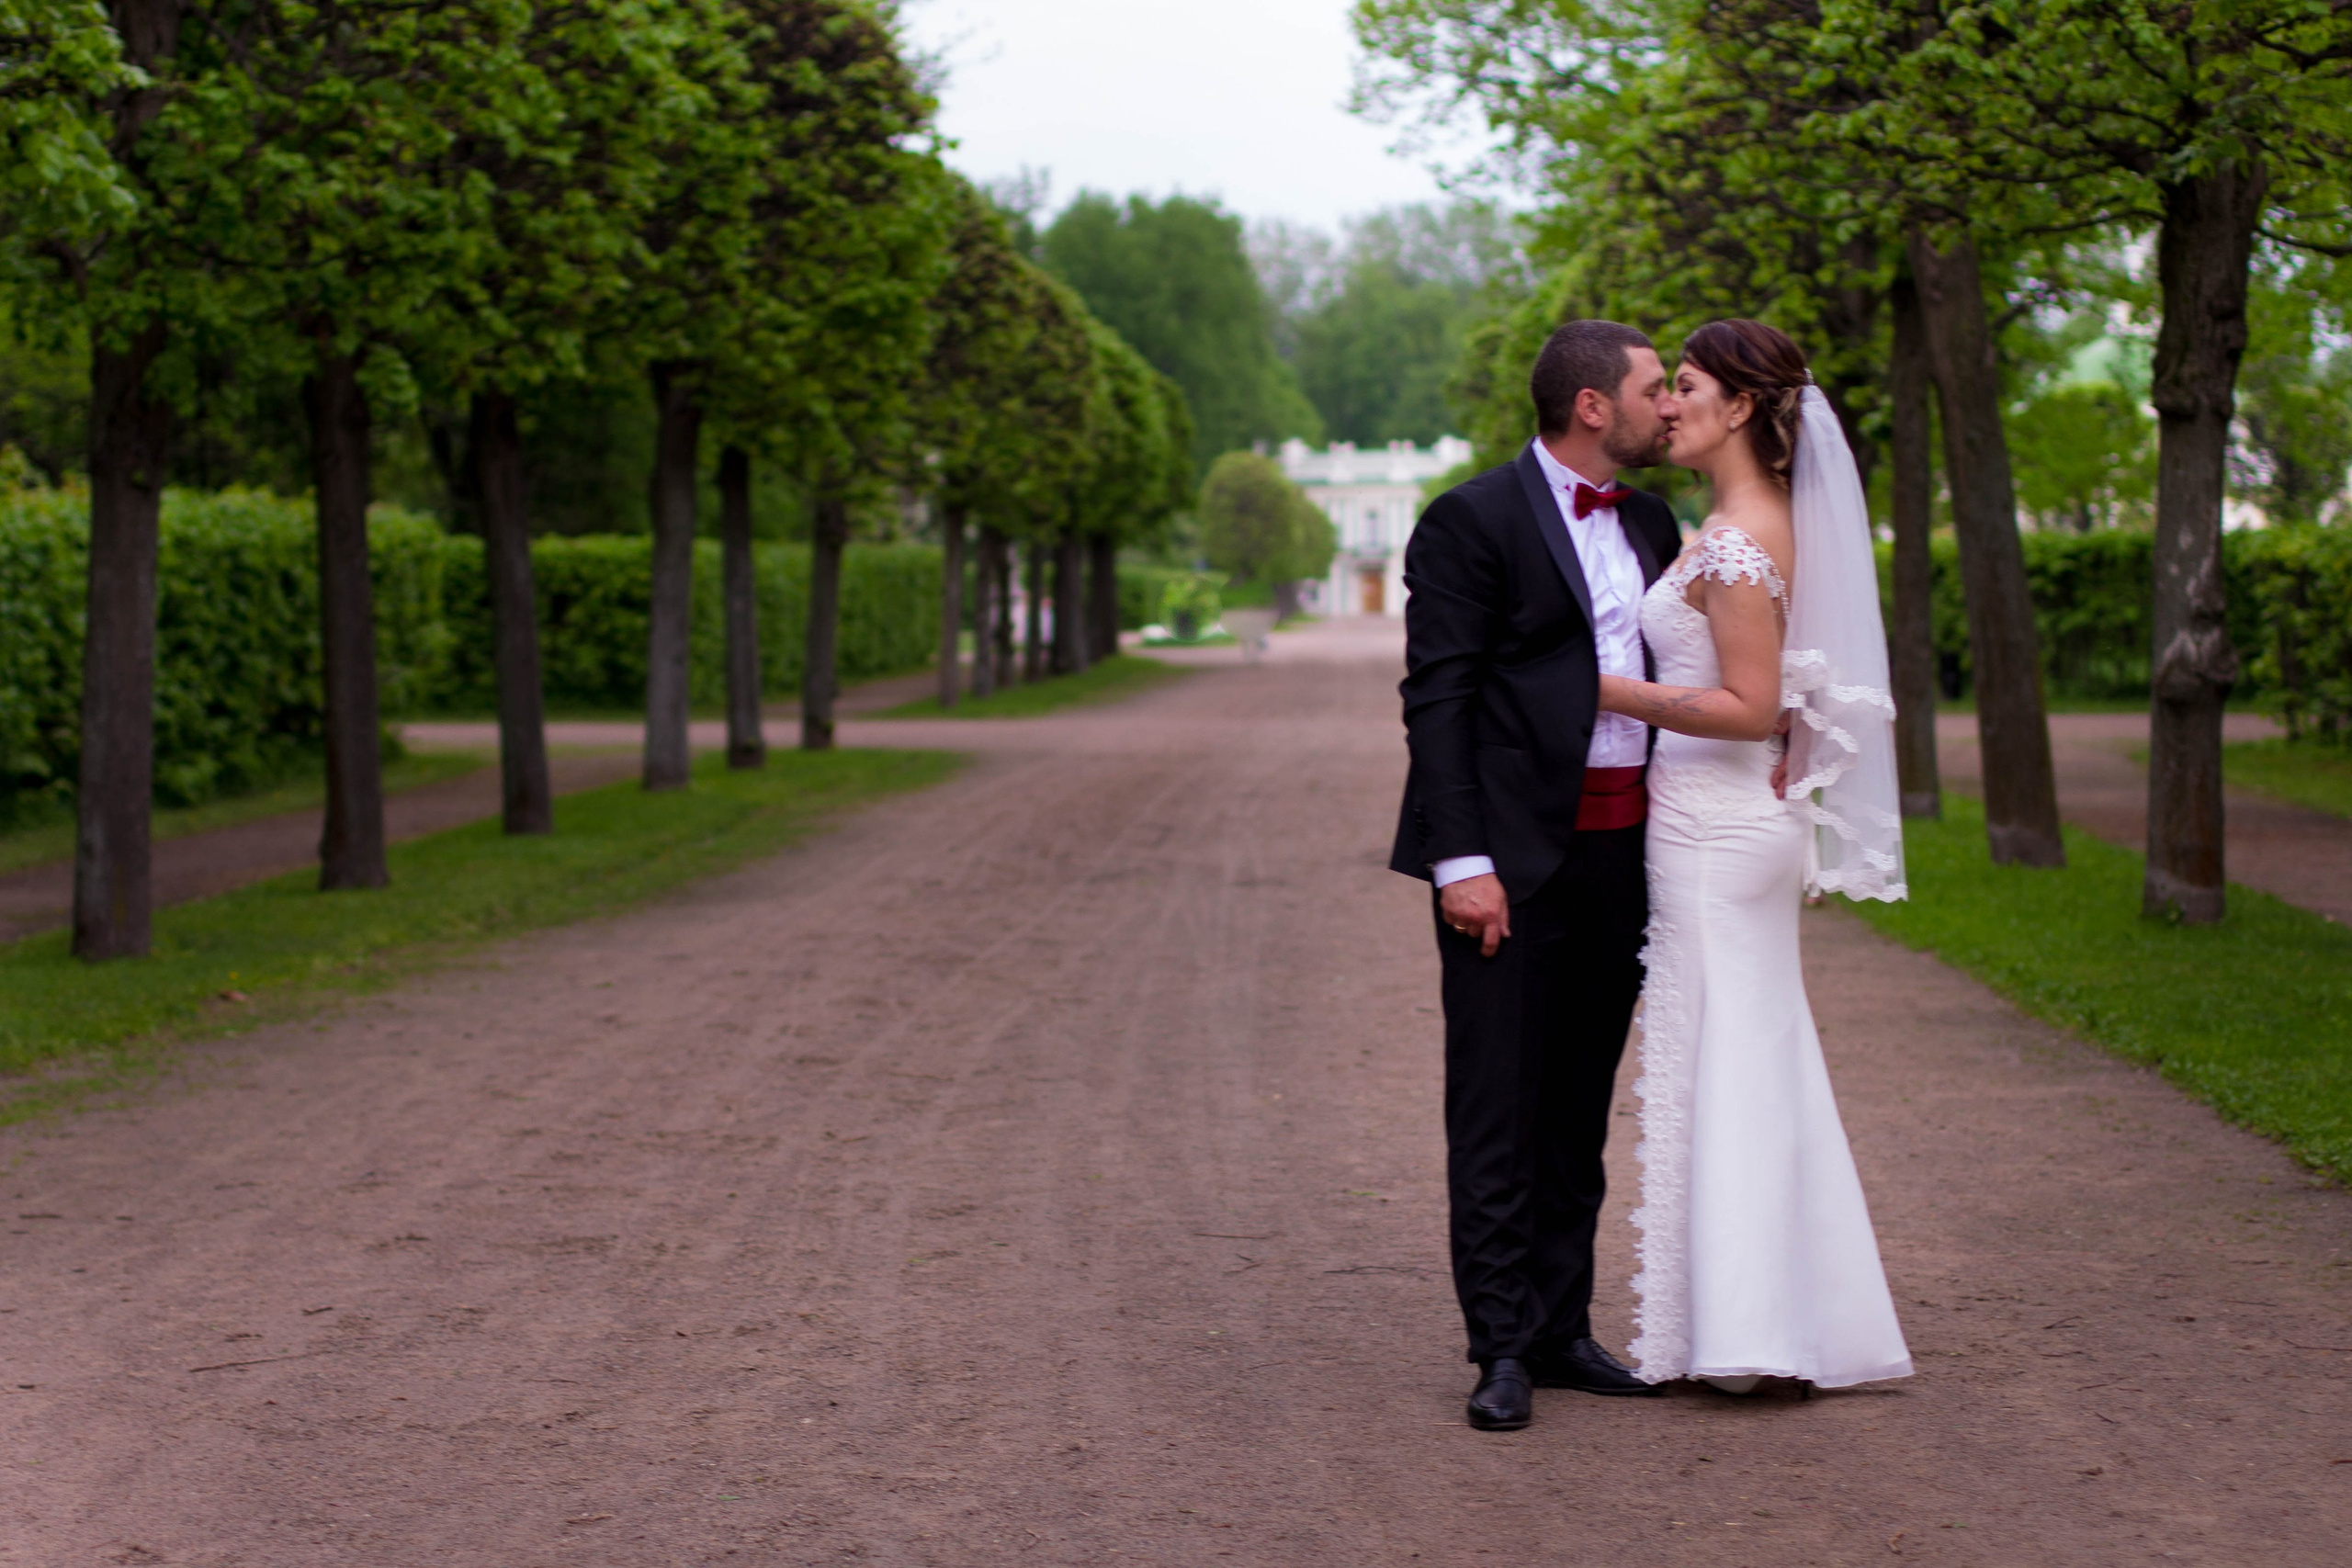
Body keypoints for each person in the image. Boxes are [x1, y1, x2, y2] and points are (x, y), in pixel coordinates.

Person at [1598, 319, 1913, 1393]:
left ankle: (1747, 1334)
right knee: (1754, 1055)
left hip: (1716, 828)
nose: (1667, 406)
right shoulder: (1753, 524)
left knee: (1727, 1060)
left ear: (1739, 407)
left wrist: (1599, 689)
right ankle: (1784, 1321)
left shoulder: (1737, 542)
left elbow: (1747, 704)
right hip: (1728, 820)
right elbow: (1795, 690)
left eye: (1685, 387)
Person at [1390, 319, 1683, 1430]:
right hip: (1507, 864)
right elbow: (1439, 700)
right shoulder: (1470, 520)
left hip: (1624, 854)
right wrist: (1460, 862)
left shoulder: (1651, 519)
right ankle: (1501, 1347)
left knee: (1577, 1108)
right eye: (1653, 388)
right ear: (1592, 406)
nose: (1669, 405)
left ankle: (1562, 1330)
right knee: (1497, 1109)